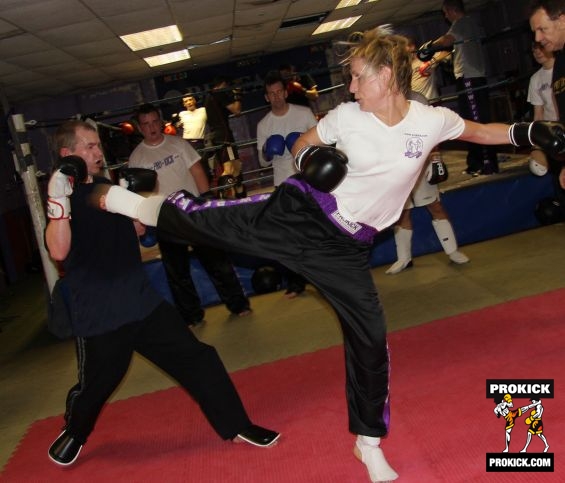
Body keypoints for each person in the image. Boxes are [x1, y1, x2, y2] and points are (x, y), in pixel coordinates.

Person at [96, 27, 565, 482]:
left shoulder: (431, 121)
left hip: (348, 247)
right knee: (222, 220)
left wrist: (533, 131)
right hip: (306, 211)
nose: (353, 86)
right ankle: (140, 206)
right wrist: (307, 164)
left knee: (369, 337)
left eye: (360, 76)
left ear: (386, 76)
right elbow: (303, 144)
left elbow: (482, 132)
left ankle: (367, 442)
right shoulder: (346, 116)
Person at [43, 120, 279, 467]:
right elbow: (59, 251)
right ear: (68, 154)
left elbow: (138, 232)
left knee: (198, 357)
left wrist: (135, 216)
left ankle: (237, 425)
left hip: (141, 301)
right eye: (89, 147)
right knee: (96, 386)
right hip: (100, 312)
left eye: (98, 145)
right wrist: (57, 201)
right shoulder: (65, 196)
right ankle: (75, 431)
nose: (98, 152)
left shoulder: (108, 186)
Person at [129, 103, 251, 327]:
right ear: (139, 127)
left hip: (192, 210)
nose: (152, 127)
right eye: (146, 124)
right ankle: (192, 316)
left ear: (161, 121)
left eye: (155, 121)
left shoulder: (177, 144)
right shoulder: (137, 158)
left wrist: (204, 201)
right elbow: (139, 192)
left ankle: (238, 304)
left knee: (215, 260)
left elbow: (197, 169)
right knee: (177, 272)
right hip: (165, 217)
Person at [386, 38, 469, 274]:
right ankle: (404, 259)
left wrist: (435, 159)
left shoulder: (418, 100)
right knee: (402, 213)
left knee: (435, 205)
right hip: (397, 167)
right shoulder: (382, 104)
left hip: (420, 163)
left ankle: (452, 251)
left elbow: (431, 133)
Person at [256, 70, 318, 297]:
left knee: (317, 228)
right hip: (284, 184)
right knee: (289, 235)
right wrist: (268, 149)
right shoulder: (264, 125)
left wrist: (302, 146)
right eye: (271, 94)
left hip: (310, 179)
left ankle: (324, 274)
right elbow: (263, 161)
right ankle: (295, 283)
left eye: (279, 92)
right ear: (266, 97)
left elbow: (321, 140)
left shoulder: (303, 113)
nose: (276, 97)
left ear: (285, 92)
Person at [421, 0, 499, 176]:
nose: (445, 16)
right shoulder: (468, 25)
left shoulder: (462, 23)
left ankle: (487, 163)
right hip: (468, 77)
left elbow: (447, 40)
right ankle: (476, 162)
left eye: (445, 12)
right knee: (470, 120)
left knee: (477, 120)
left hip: (470, 77)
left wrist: (430, 47)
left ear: (451, 10)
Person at [204, 76, 246, 196]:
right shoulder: (219, 94)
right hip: (224, 137)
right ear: (223, 84)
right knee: (229, 169)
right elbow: (237, 110)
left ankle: (240, 194)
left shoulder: (209, 97)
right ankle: (224, 197)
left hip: (218, 137)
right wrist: (238, 95)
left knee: (236, 166)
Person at [527, 41, 558, 176]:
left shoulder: (561, 69)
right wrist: (536, 145)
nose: (537, 52)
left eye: (540, 47)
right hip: (552, 136)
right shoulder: (535, 79)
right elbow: (538, 115)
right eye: (534, 50)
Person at [175, 93, 213, 181]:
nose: (188, 102)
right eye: (186, 101)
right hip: (187, 143)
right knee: (190, 170)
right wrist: (176, 124)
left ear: (194, 100)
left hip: (199, 143)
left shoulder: (203, 110)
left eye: (190, 99)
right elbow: (175, 125)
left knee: (204, 169)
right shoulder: (182, 114)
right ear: (184, 104)